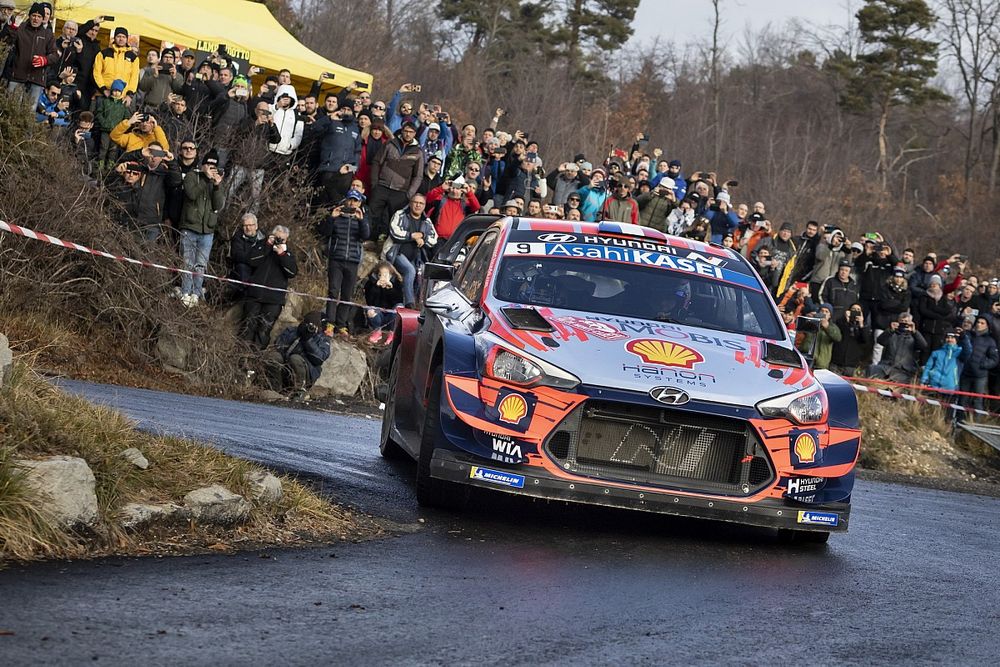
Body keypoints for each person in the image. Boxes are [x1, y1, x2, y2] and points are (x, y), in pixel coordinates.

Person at [317, 189, 371, 336]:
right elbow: (325, 233)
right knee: (333, 291)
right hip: (336, 259)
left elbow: (365, 235)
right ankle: (329, 323)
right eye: (351, 200)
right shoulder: (337, 216)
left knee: (347, 294)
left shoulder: (362, 218)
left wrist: (361, 220)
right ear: (346, 200)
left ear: (360, 203)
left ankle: (341, 325)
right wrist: (332, 218)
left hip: (353, 261)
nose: (352, 203)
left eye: (356, 201)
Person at [177, 149, 226, 306]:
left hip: (207, 230)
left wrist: (217, 186)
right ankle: (185, 291)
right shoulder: (192, 176)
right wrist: (205, 178)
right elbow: (191, 194)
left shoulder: (216, 181)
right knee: (187, 262)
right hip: (190, 226)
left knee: (201, 265)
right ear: (203, 164)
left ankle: (196, 293)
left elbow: (218, 205)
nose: (211, 167)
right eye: (208, 164)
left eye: (214, 165)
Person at [242, 226, 298, 348]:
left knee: (264, 330)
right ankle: (240, 356)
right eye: (277, 238)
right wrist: (267, 245)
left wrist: (282, 254)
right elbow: (251, 260)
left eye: (282, 239)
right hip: (255, 295)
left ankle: (256, 359)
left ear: (286, 240)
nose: (279, 241)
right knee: (248, 326)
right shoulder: (262, 246)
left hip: (273, 300)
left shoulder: (288, 254)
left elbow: (292, 272)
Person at [369, 121, 424, 239]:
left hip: (400, 191)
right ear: (402, 131)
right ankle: (369, 239)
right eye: (406, 131)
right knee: (373, 214)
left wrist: (409, 194)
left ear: (414, 134)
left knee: (393, 219)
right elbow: (376, 162)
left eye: (411, 132)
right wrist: (374, 183)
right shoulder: (390, 144)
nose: (408, 134)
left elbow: (418, 176)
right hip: (382, 186)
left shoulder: (418, 152)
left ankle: (384, 244)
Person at [385, 193, 437, 308]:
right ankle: (410, 303)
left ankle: (417, 305)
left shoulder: (426, 221)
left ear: (424, 206)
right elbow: (394, 232)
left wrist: (423, 237)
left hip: (415, 257)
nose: (418, 205)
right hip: (396, 253)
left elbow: (434, 239)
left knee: (420, 276)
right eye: (416, 202)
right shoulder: (401, 214)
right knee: (410, 271)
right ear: (410, 203)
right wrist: (412, 236)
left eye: (421, 203)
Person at [264, 311, 331, 397]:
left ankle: (300, 391)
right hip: (286, 367)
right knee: (274, 356)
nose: (311, 328)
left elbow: (319, 359)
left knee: (295, 358)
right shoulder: (291, 331)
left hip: (306, 371)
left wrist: (308, 340)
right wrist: (299, 333)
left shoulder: (322, 339)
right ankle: (275, 389)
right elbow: (278, 346)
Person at [4, 3, 58, 108]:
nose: (36, 19)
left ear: (43, 19)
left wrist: (45, 60)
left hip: (37, 78)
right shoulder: (21, 28)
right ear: (29, 16)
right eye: (33, 15)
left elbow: (55, 55)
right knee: (11, 108)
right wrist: (13, 28)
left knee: (29, 111)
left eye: (39, 17)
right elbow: (8, 42)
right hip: (18, 75)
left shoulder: (48, 34)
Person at [868, 312, 927, 383]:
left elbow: (923, 345)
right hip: (886, 366)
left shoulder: (914, 337)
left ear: (911, 323)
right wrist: (890, 330)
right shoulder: (891, 333)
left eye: (906, 322)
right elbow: (880, 341)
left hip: (905, 370)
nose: (904, 323)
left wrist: (915, 332)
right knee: (872, 368)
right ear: (898, 322)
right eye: (902, 321)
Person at [959, 317, 999, 416]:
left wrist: (982, 365)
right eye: (978, 322)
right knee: (962, 399)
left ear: (987, 326)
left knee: (978, 401)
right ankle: (959, 421)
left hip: (980, 375)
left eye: (982, 323)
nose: (979, 325)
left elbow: (994, 359)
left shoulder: (990, 341)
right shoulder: (968, 335)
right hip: (966, 373)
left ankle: (976, 422)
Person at [364, 261, 404, 345]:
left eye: (386, 275)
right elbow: (370, 301)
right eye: (380, 275)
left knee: (399, 307)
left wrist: (391, 289)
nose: (383, 277)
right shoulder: (370, 284)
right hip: (378, 314)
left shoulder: (397, 283)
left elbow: (399, 300)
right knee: (369, 310)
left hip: (391, 315)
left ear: (391, 275)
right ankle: (377, 331)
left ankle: (392, 333)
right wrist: (376, 287)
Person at [228, 213, 265, 300]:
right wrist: (253, 259)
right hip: (245, 266)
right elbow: (237, 255)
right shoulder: (238, 237)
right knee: (241, 268)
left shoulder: (263, 237)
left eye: (250, 225)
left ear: (256, 226)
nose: (248, 228)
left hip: (260, 266)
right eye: (245, 225)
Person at [93, 26, 139, 94]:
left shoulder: (133, 58)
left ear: (127, 39)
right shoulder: (103, 54)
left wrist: (130, 94)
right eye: (118, 36)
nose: (121, 39)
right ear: (114, 38)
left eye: (123, 37)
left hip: (122, 96)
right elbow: (96, 73)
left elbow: (134, 78)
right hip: (104, 93)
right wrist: (103, 89)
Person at [829, 304, 873, 376]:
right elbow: (838, 334)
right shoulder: (841, 322)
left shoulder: (864, 327)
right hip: (837, 362)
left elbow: (865, 341)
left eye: (858, 310)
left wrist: (861, 324)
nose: (855, 311)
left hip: (851, 365)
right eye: (853, 309)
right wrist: (847, 320)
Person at [797, 303, 841, 370]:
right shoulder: (811, 322)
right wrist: (808, 319)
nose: (824, 313)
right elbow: (799, 331)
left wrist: (827, 327)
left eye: (826, 312)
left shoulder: (833, 327)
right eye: (822, 311)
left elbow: (838, 338)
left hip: (821, 364)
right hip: (806, 359)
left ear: (830, 315)